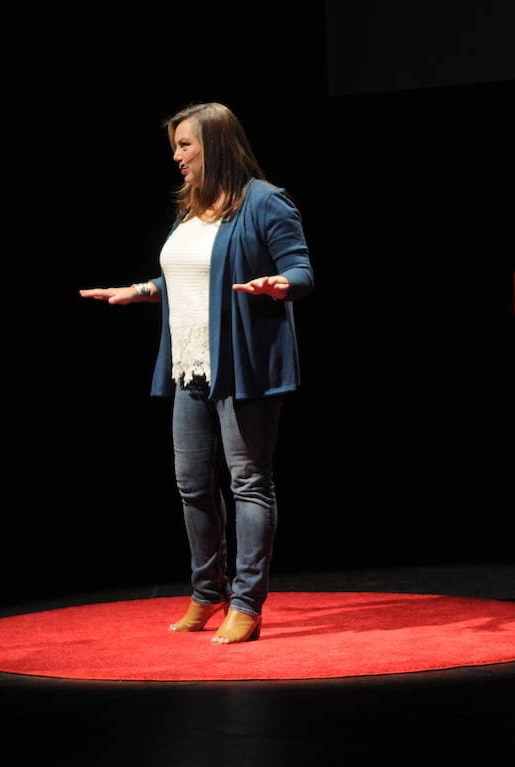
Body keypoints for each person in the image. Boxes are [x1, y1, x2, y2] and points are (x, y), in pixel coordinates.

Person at [79, 102, 314, 644]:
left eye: (186, 145)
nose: (178, 157)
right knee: (191, 484)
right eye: (175, 148)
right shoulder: (193, 207)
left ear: (217, 143)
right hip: (190, 363)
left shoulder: (263, 201)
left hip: (244, 365)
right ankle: (207, 593)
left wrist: (279, 284)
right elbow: (189, 276)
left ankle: (247, 603)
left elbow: (301, 269)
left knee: (248, 481)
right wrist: (141, 290)